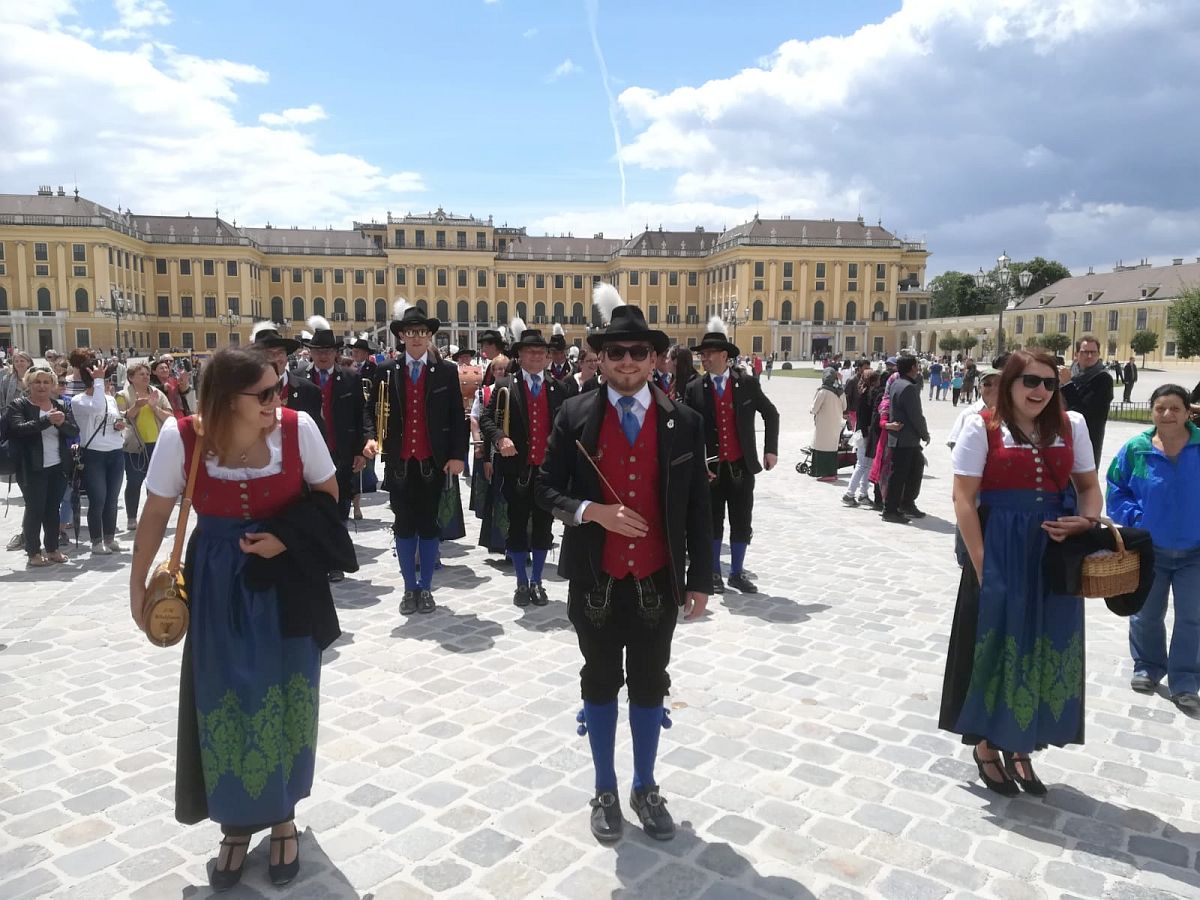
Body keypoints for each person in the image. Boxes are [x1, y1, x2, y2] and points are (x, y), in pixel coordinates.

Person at [130, 346, 351, 890]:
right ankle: (233, 823)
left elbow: (329, 496)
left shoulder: (300, 431)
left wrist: (286, 539)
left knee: (287, 690)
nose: (279, 400)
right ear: (227, 401)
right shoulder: (183, 438)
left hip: (288, 582)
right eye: (266, 394)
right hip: (216, 584)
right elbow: (156, 512)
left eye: (279, 389)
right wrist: (137, 590)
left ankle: (282, 818)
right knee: (224, 693)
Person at [535, 285, 712, 843]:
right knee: (600, 679)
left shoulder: (682, 420)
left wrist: (702, 579)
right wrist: (591, 511)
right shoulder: (573, 414)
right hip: (597, 578)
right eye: (617, 353)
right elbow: (542, 488)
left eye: (639, 352)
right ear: (600, 359)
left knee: (651, 682)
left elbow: (699, 511)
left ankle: (645, 785)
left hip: (658, 578)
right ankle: (605, 788)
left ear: (656, 358)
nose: (629, 362)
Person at [940, 349, 1101, 797]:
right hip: (1001, 545)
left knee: (1044, 642)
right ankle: (989, 745)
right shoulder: (982, 426)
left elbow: (1089, 488)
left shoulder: (1074, 426)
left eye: (1050, 383)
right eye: (1031, 381)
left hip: (1053, 550)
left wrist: (1086, 521)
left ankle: (1022, 745)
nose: (1040, 391)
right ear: (1010, 382)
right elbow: (963, 500)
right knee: (1001, 642)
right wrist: (981, 563)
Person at [364, 303, 467, 615]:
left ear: (429, 335)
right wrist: (370, 437)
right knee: (403, 524)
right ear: (402, 336)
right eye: (411, 332)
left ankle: (426, 588)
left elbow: (456, 417)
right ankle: (409, 587)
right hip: (398, 461)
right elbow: (370, 413)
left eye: (422, 332)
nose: (417, 337)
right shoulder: (386, 370)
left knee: (430, 524)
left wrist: (457, 455)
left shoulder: (447, 371)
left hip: (431, 461)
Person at [1107, 384, 1200, 708]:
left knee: (1192, 617)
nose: (1167, 414)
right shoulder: (1137, 448)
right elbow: (1117, 488)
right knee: (1145, 614)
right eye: (1161, 408)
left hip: (1195, 553)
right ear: (1152, 412)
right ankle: (1147, 666)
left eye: (1175, 408)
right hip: (1150, 551)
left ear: (1189, 412)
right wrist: (1136, 518)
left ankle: (1186, 680)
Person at [686, 317, 780, 594]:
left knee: (742, 520)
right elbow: (688, 430)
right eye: (702, 354)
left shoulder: (747, 383)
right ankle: (714, 573)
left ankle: (737, 573)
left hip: (741, 465)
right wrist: (696, 464)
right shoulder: (694, 389)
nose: (704, 358)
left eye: (708, 354)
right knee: (712, 521)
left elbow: (771, 413)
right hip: (711, 468)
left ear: (724, 356)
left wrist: (770, 450)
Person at [480, 321, 569, 607]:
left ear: (546, 356)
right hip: (516, 470)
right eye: (530, 353)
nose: (536, 357)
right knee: (517, 526)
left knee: (544, 527)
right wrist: (500, 438)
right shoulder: (505, 385)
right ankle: (520, 581)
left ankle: (538, 581)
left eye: (540, 353)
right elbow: (486, 419)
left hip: (547, 471)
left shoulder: (558, 388)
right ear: (520, 356)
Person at [4, 367, 78, 567]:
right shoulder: (18, 405)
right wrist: (47, 420)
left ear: (52, 385)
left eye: (46, 382)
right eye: (37, 382)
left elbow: (73, 429)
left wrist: (62, 423)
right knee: (35, 509)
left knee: (53, 509)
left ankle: (53, 549)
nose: (42, 386)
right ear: (29, 384)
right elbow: (18, 429)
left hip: (57, 465)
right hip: (31, 467)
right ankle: (33, 552)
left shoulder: (60, 404)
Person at [303, 317, 367, 541]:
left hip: (341, 451)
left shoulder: (351, 377)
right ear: (310, 352)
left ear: (335, 353)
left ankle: (336, 554)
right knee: (310, 505)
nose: (323, 355)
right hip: (307, 453)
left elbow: (361, 415)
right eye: (318, 350)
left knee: (340, 502)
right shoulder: (300, 377)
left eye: (328, 351)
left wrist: (360, 450)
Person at [70, 356, 128, 554]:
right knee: (98, 499)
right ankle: (96, 541)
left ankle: (110, 538)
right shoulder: (79, 400)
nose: (106, 380)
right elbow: (96, 407)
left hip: (115, 452)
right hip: (94, 454)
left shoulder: (110, 398)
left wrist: (120, 424)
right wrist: (98, 381)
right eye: (103, 377)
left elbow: (114, 418)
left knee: (112, 499)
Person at [116, 362, 173, 531]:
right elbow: (120, 418)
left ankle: (151, 517)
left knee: (154, 483)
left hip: (156, 443)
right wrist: (137, 406)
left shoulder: (157, 394)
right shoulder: (123, 395)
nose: (146, 377)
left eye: (147, 374)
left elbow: (169, 416)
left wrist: (155, 408)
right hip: (135, 446)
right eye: (141, 374)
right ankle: (132, 518)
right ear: (131, 378)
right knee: (134, 481)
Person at [882, 356, 930, 523]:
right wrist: (925, 434)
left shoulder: (896, 383)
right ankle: (891, 509)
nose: (918, 369)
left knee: (910, 471)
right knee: (900, 475)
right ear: (911, 368)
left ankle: (904, 504)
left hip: (899, 438)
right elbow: (916, 415)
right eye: (916, 366)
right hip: (907, 438)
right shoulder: (909, 387)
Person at [1061, 335, 1113, 470]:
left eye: (1093, 352)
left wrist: (1067, 385)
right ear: (1076, 354)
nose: (1089, 356)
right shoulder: (1073, 374)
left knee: (1084, 480)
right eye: (1085, 352)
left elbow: (1086, 412)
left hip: (1088, 437)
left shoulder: (1103, 378)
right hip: (1064, 435)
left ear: (1099, 354)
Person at [844, 369, 880, 507]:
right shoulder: (865, 396)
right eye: (876, 380)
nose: (878, 383)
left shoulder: (867, 394)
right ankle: (849, 494)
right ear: (872, 381)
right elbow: (865, 418)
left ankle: (863, 493)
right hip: (863, 434)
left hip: (864, 433)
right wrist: (868, 432)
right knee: (862, 465)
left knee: (867, 465)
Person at [809, 368, 846, 483]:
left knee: (822, 447)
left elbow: (814, 409)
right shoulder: (840, 391)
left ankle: (825, 473)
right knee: (832, 448)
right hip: (835, 424)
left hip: (823, 425)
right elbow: (844, 407)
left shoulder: (823, 391)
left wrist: (812, 410)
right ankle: (832, 472)